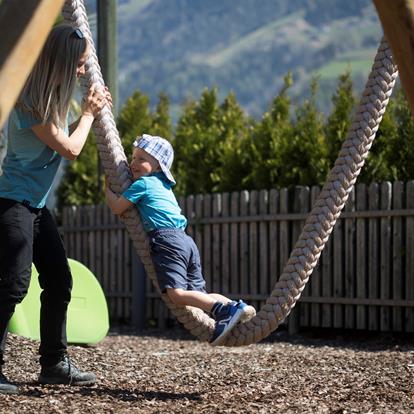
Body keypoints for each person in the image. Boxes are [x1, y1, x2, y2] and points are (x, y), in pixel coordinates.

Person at [0, 24, 112, 394]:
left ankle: (53, 364)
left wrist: (89, 103)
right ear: (63, 62)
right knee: (13, 286)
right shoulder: (31, 101)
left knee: (59, 281)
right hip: (13, 202)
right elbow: (71, 149)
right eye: (79, 65)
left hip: (35, 205)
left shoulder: (51, 96)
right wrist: (90, 115)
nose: (82, 70)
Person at [105, 134, 255, 346]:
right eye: (134, 157)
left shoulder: (144, 184)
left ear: (158, 167)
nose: (133, 163)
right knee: (197, 293)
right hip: (185, 241)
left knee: (177, 294)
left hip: (166, 240)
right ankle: (234, 305)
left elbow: (118, 207)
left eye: (142, 159)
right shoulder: (165, 186)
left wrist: (106, 189)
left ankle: (225, 310)